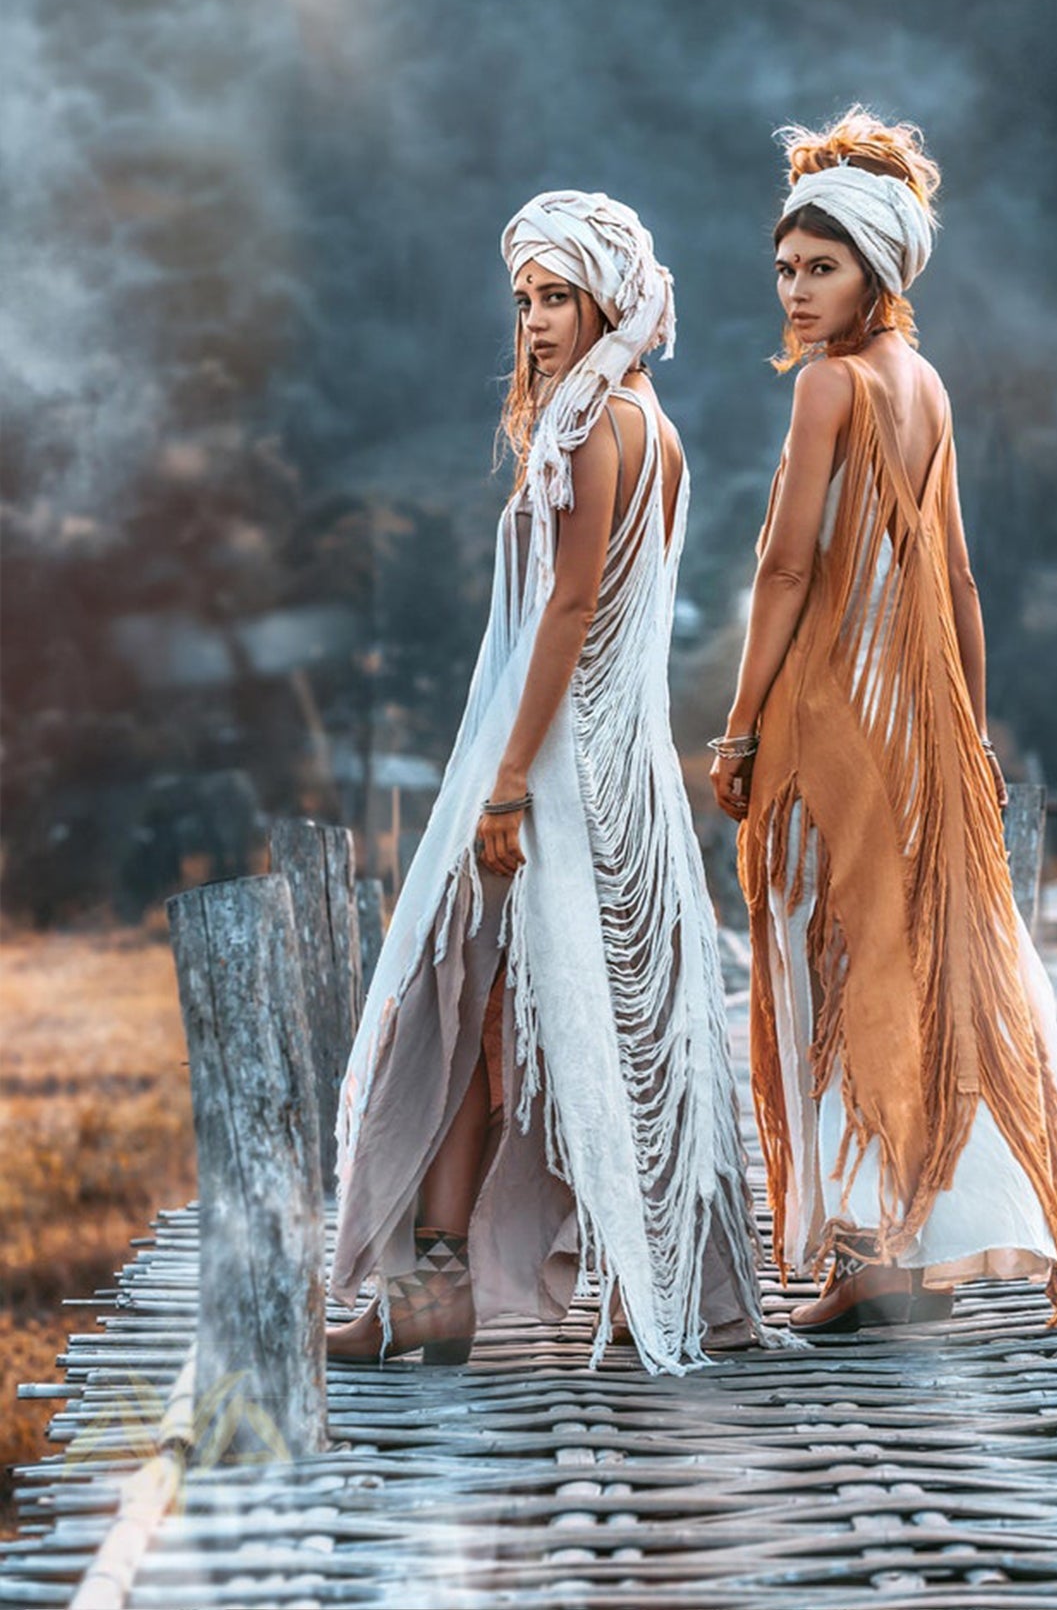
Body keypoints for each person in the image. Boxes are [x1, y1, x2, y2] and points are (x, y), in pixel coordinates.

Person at [327, 189, 770, 1373]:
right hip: (623, 764)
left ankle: (448, 1278)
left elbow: (572, 608)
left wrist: (511, 777)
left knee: (476, 998)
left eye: (558, 294)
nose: (533, 319)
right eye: (524, 297)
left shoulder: (594, 427)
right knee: (558, 1012)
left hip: (564, 761)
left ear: (610, 296)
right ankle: (580, 1273)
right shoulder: (652, 421)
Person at [710, 107, 1057, 1333]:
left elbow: (784, 570)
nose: (796, 289)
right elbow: (961, 578)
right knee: (919, 957)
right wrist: (969, 734)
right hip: (917, 718)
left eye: (820, 267)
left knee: (835, 956)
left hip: (834, 711)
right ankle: (907, 1233)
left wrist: (735, 728)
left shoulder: (831, 386)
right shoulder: (923, 383)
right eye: (783, 268)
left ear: (878, 270)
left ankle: (873, 1246)